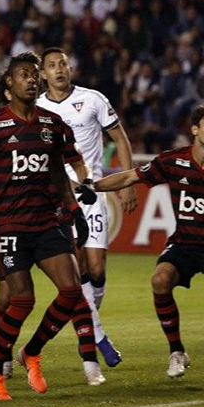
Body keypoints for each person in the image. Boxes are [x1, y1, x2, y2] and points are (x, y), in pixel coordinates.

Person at [92, 102, 204, 385]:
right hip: (185, 244)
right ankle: (177, 351)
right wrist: (92, 186)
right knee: (160, 280)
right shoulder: (172, 160)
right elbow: (131, 176)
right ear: (194, 130)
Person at [0, 52, 100, 400]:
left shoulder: (53, 124)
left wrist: (74, 209)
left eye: (35, 74)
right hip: (10, 225)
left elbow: (59, 173)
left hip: (47, 222)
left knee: (71, 292)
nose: (32, 79)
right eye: (24, 74)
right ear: (9, 81)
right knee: (21, 299)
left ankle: (31, 351)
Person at [36, 47, 137, 367]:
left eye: (63, 63)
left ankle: (89, 326)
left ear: (70, 68)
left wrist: (127, 182)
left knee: (97, 269)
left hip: (92, 195)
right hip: (57, 198)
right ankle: (97, 337)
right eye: (52, 66)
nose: (59, 69)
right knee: (78, 267)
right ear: (43, 75)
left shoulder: (93, 99)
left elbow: (120, 139)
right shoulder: (36, 108)